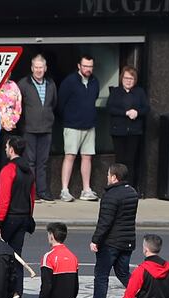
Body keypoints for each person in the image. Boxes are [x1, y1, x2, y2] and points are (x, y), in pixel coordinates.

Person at [82, 163, 138, 298]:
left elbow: (105, 221)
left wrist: (96, 240)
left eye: (108, 175)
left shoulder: (111, 195)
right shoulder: (132, 192)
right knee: (123, 272)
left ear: (114, 177)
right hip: (127, 241)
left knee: (101, 275)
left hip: (111, 242)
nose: (106, 177)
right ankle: (144, 297)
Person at [0, 135, 35, 298]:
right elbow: (31, 197)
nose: (5, 149)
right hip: (23, 217)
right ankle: (16, 296)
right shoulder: (29, 171)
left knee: (2, 257)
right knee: (16, 256)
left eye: (6, 147)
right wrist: (29, 216)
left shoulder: (8, 170)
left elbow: (3, 199)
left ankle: (5, 294)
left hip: (9, 218)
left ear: (11, 149)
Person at [57, 54, 99, 202]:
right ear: (79, 66)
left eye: (90, 66)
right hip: (72, 125)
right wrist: (69, 117)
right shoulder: (69, 82)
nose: (88, 69)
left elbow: (94, 99)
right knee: (70, 156)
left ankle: (86, 190)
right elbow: (61, 103)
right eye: (85, 66)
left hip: (89, 125)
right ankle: (64, 190)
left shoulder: (95, 81)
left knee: (87, 157)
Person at [18, 54, 57, 203]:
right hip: (29, 129)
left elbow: (53, 104)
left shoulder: (51, 84)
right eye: (36, 67)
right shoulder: (23, 84)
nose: (39, 70)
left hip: (46, 129)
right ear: (32, 68)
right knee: (30, 162)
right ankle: (31, 192)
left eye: (41, 67)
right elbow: (19, 106)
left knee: (43, 162)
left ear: (45, 68)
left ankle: (42, 191)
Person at [107, 66, 149, 191]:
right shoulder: (116, 92)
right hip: (118, 131)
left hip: (134, 131)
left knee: (131, 160)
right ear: (121, 79)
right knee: (119, 160)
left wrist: (137, 112)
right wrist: (125, 113)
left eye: (131, 78)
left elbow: (146, 108)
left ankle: (130, 187)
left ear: (135, 80)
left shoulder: (139, 92)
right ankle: (117, 187)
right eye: (126, 78)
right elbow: (110, 108)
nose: (128, 80)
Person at [0, 75, 22, 172]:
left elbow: (18, 107)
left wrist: (11, 122)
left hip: (9, 129)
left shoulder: (14, 86)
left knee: (5, 158)